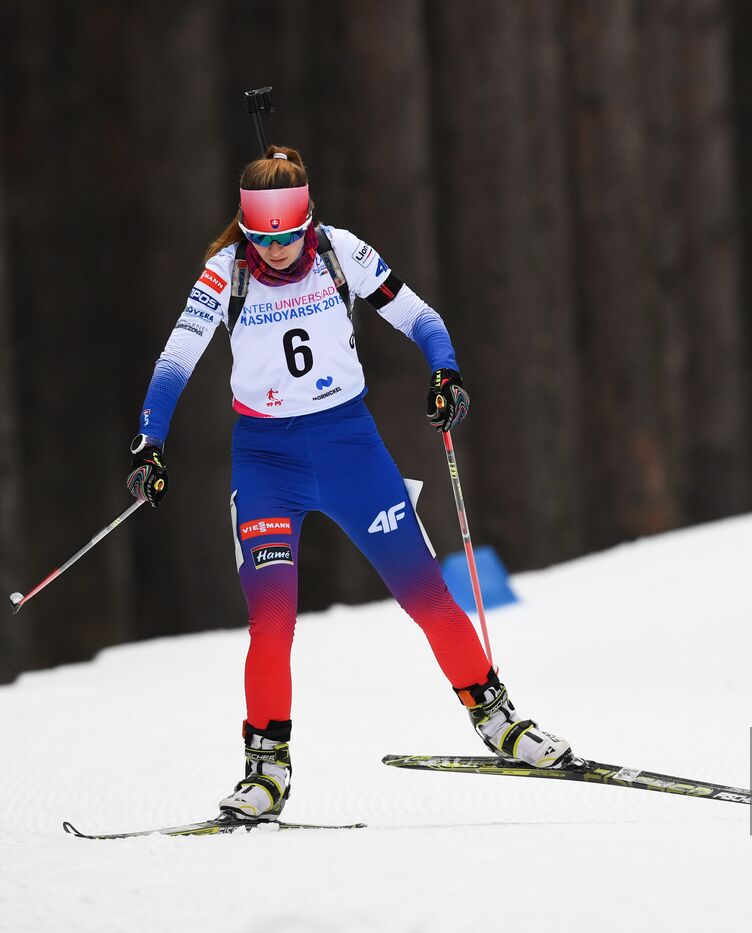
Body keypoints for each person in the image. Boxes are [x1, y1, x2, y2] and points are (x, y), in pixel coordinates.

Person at [126, 146, 572, 821]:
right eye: (262, 239)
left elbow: (421, 317)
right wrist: (150, 443)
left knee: (426, 594)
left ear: (309, 221)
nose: (276, 252)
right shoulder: (224, 274)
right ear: (245, 230)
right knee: (271, 622)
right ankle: (266, 769)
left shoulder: (341, 252)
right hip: (266, 464)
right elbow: (173, 362)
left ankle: (500, 721)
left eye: (288, 236)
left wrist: (444, 370)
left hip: (351, 451)